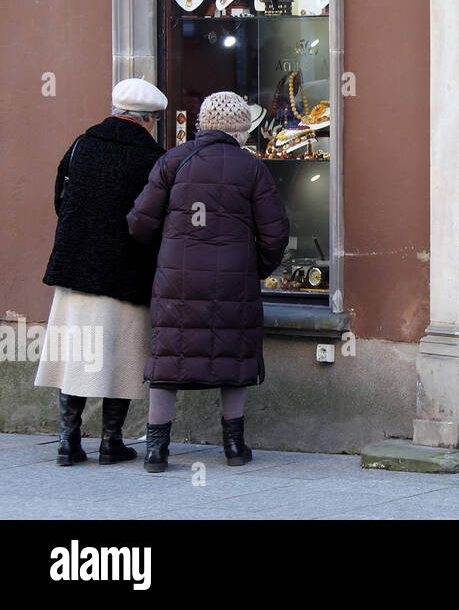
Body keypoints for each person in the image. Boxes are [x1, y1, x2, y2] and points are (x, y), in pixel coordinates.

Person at [127, 91, 289, 473]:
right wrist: (255, 269)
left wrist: (168, 254)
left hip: (176, 280)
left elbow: (139, 223)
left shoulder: (173, 160)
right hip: (233, 280)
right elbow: (276, 232)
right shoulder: (251, 168)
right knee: (233, 358)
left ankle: (155, 451)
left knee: (168, 362)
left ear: (202, 124)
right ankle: (234, 447)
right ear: (241, 130)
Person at [36, 77, 167, 465]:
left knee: (74, 355)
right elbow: (154, 217)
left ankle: (67, 441)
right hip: (127, 270)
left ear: (116, 111)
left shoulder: (81, 145)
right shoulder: (153, 157)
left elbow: (61, 198)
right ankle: (112, 442)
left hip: (76, 268)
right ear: (148, 119)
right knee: (123, 357)